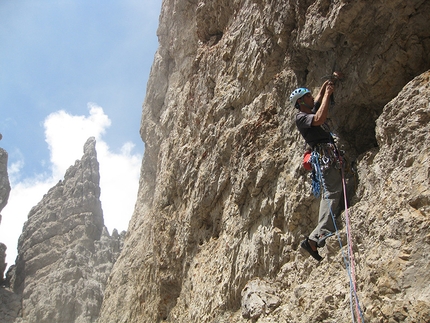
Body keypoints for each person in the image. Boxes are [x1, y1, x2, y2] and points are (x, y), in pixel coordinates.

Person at [290, 79, 342, 261]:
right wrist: (327, 94)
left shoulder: (307, 110)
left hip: (327, 154)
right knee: (331, 192)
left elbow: (316, 103)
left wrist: (322, 90)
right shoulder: (301, 118)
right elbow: (319, 118)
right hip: (324, 156)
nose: (313, 98)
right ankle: (316, 237)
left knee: (334, 190)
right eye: (308, 97)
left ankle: (319, 233)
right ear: (301, 103)